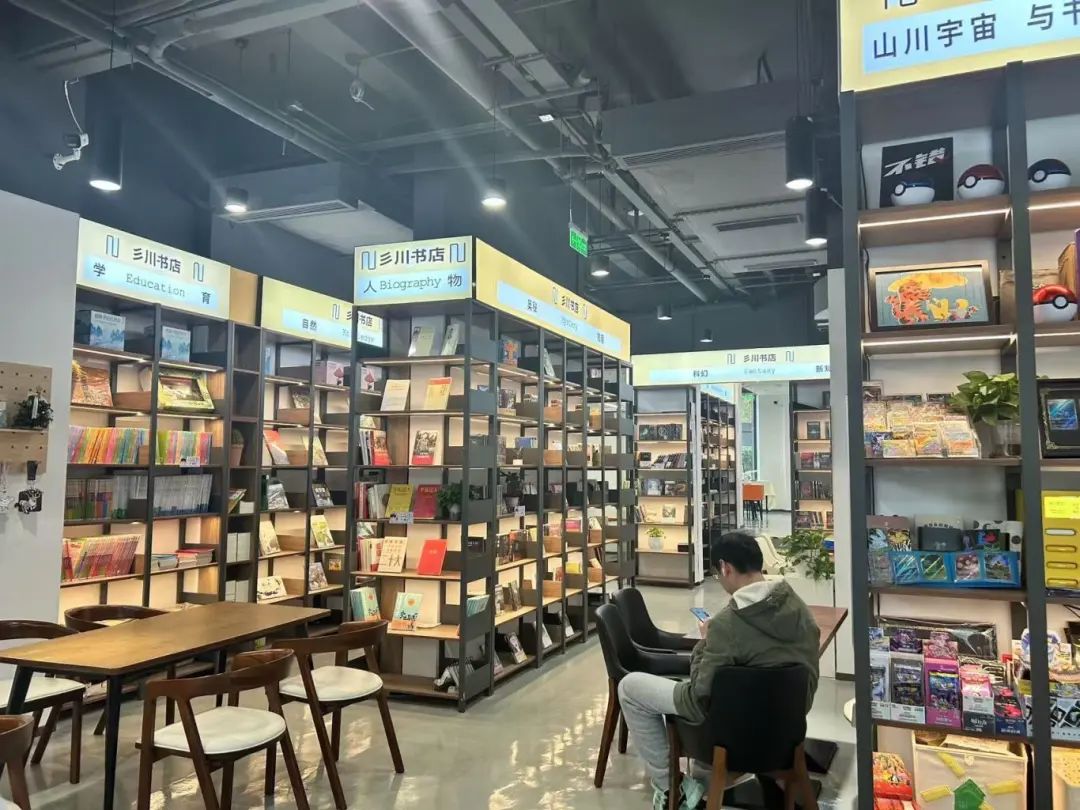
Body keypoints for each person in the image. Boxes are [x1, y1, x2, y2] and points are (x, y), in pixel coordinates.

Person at [617, 531, 821, 809]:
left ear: (725, 568)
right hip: (788, 729)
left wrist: (705, 642)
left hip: (732, 737)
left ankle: (671, 787)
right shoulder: (798, 607)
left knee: (629, 687)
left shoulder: (727, 625)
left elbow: (700, 694)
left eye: (717, 574)